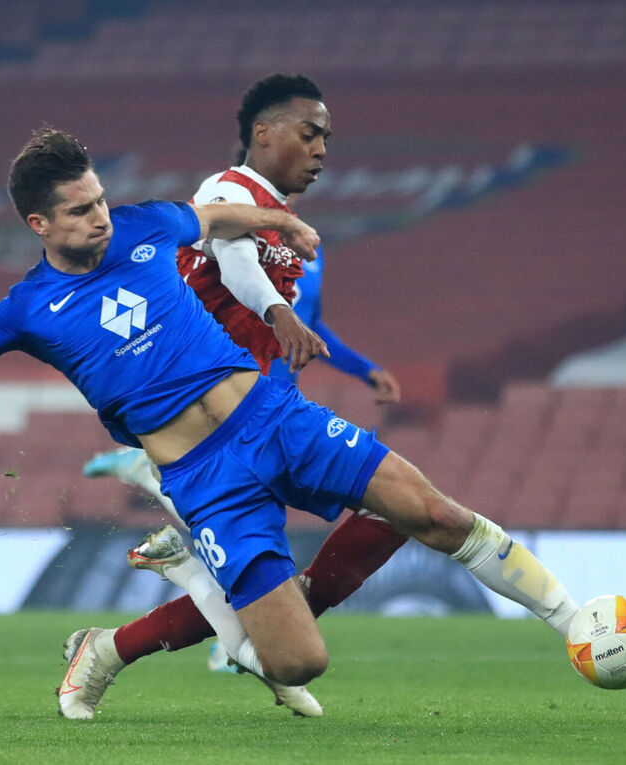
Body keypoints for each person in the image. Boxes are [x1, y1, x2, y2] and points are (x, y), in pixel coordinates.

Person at [0, 126, 626, 725]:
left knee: (431, 511)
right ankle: (176, 575)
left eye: (101, 198)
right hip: (204, 475)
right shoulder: (28, 307)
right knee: (300, 659)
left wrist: (279, 222)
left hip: (274, 415)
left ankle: (576, 620)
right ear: (39, 222)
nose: (102, 214)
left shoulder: (145, 224)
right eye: (82, 208)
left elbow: (212, 215)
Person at [81, 74, 410, 696]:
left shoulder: (299, 242)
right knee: (302, 576)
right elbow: (237, 274)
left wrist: (363, 370)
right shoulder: (221, 208)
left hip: (273, 406)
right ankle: (216, 616)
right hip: (218, 424)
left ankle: (145, 635)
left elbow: (309, 329)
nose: (320, 153)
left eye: (325, 141)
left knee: (387, 516)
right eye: (310, 136)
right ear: (264, 137)